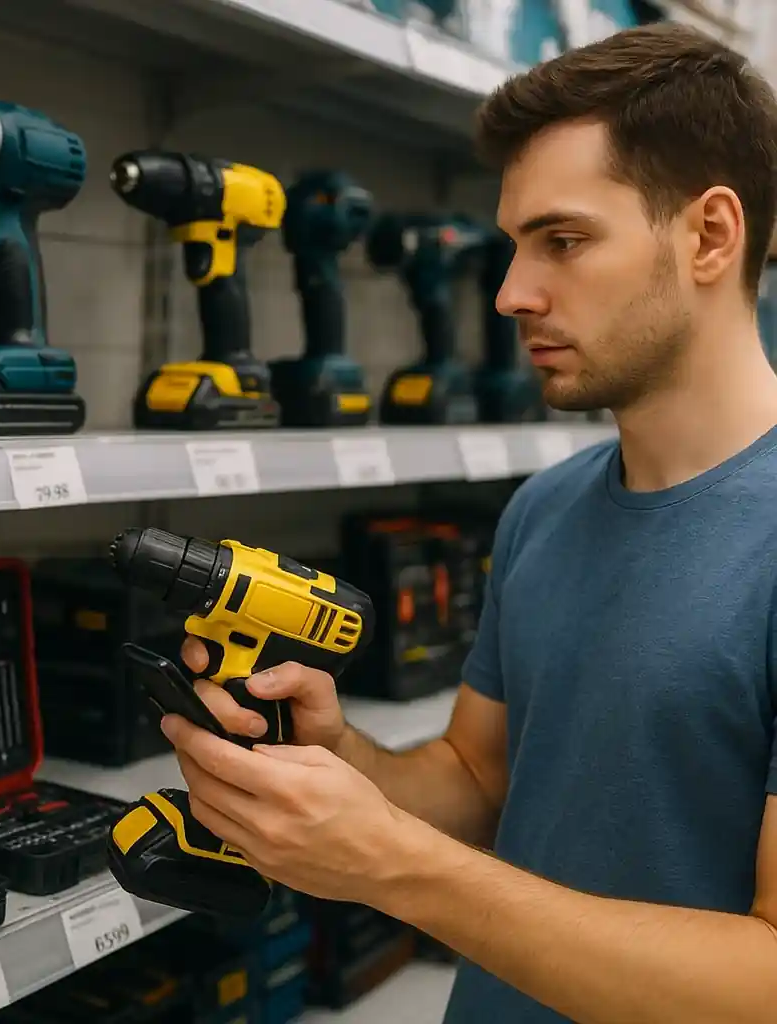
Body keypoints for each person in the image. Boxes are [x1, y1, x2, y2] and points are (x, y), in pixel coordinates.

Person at [158, 21, 777, 1024]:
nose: (510, 294)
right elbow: (477, 778)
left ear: (708, 234)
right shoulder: (545, 510)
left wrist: (396, 868)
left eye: (563, 241)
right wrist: (337, 758)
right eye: (513, 245)